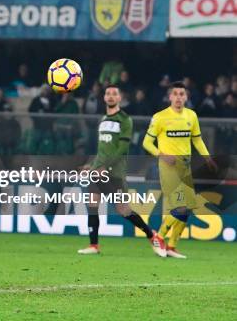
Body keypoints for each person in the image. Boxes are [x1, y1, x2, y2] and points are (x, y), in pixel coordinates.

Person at [78, 85, 166, 256]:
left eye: (114, 94)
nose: (111, 96)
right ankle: (94, 245)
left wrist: (106, 167)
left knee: (123, 210)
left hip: (115, 173)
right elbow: (103, 149)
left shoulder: (125, 119)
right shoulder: (103, 119)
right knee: (92, 204)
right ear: (104, 98)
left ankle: (152, 235)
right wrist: (93, 165)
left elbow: (122, 149)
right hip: (98, 172)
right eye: (108, 93)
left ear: (120, 98)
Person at [143, 82, 217, 259]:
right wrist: (162, 155)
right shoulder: (160, 117)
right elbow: (146, 143)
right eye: (175, 94)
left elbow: (197, 140)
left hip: (185, 166)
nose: (178, 97)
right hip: (168, 167)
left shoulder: (191, 116)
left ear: (186, 97)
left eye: (181, 94)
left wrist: (207, 157)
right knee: (181, 207)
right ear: (169, 97)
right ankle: (158, 237)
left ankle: (171, 246)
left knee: (188, 208)